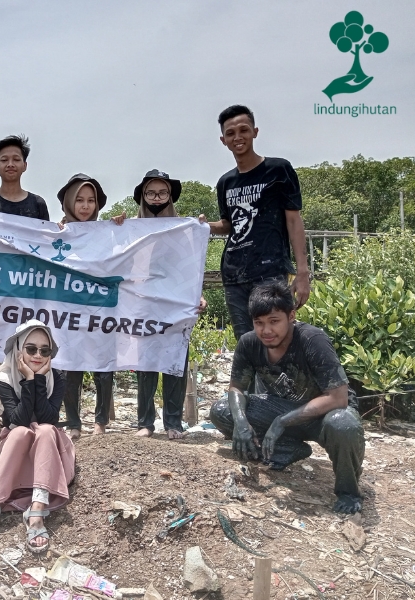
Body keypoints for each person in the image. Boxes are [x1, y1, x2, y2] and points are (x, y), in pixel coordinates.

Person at [209, 281, 365, 514]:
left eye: (274, 321)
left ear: (291, 316)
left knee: (343, 424)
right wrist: (241, 423)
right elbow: (236, 389)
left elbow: (338, 398)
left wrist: (282, 421)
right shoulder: (249, 343)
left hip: (323, 414)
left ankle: (348, 492)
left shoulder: (313, 340)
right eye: (259, 323)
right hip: (280, 407)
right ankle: (287, 449)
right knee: (222, 410)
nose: (266, 331)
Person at [200, 105, 310, 340]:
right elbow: (228, 225)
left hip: (270, 272)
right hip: (233, 276)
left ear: (255, 132)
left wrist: (303, 272)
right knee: (247, 344)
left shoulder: (278, 170)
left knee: (275, 341)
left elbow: (293, 221)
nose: (237, 137)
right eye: (230, 133)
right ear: (223, 140)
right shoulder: (225, 182)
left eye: (243, 130)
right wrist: (202, 226)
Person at [0, 135, 50, 446]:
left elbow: (45, 247)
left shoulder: (38, 204)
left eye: (16, 159)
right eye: (4, 159)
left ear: (25, 165)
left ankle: (28, 419)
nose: (10, 164)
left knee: (31, 356)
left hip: (29, 292)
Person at [0, 320, 73, 553]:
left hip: (49, 452)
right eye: (31, 349)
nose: (37, 355)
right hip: (17, 450)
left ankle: (37, 509)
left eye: (44, 350)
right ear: (18, 349)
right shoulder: (3, 378)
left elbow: (49, 419)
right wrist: (29, 379)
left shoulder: (57, 378)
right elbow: (18, 419)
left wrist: (38, 380)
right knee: (21, 431)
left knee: (45, 430)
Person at [133, 169, 207, 440]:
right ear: (143, 196)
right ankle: (145, 422)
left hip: (176, 304)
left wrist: (197, 294)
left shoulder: (185, 230)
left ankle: (173, 422)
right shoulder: (131, 228)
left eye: (162, 192)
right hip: (143, 303)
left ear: (170, 196)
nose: (156, 198)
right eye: (151, 193)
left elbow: (192, 268)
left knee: (175, 361)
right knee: (146, 365)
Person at [55, 173, 121, 439]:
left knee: (103, 368)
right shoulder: (56, 234)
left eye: (91, 200)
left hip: (102, 309)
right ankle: (73, 423)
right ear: (69, 203)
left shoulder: (108, 233)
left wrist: (120, 228)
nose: (85, 206)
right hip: (69, 312)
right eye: (79, 200)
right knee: (71, 367)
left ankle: (101, 422)